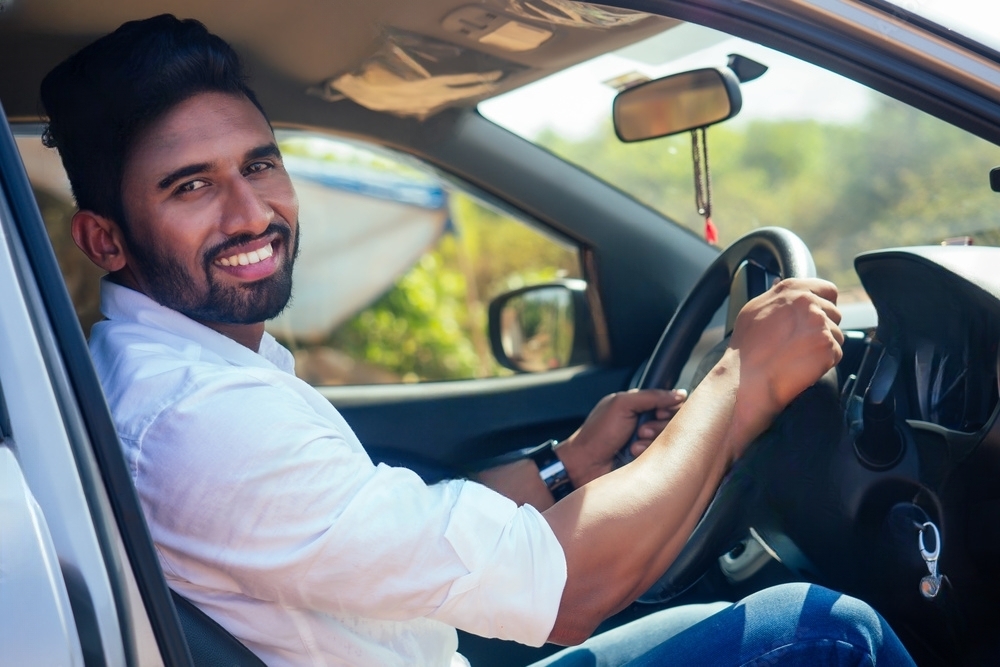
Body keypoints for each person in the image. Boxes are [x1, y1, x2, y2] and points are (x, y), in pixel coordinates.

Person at [39, 14, 915, 667]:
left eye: (259, 164)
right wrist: (741, 381)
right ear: (105, 240)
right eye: (191, 186)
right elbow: (568, 594)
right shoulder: (201, 418)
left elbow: (389, 527)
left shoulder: (175, 370)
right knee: (829, 633)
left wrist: (570, 461)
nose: (251, 213)